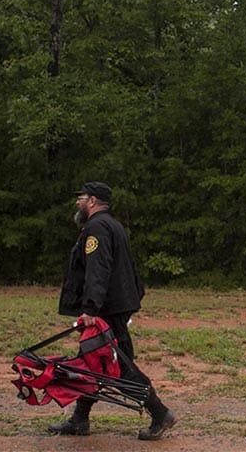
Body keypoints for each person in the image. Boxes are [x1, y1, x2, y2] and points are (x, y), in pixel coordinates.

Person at [49, 182, 176, 441]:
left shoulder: (96, 228)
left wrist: (90, 308)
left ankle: (160, 413)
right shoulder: (113, 225)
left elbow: (99, 269)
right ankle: (80, 419)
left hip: (107, 310)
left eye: (81, 197)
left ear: (92, 201)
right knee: (92, 362)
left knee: (119, 366)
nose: (77, 202)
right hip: (116, 306)